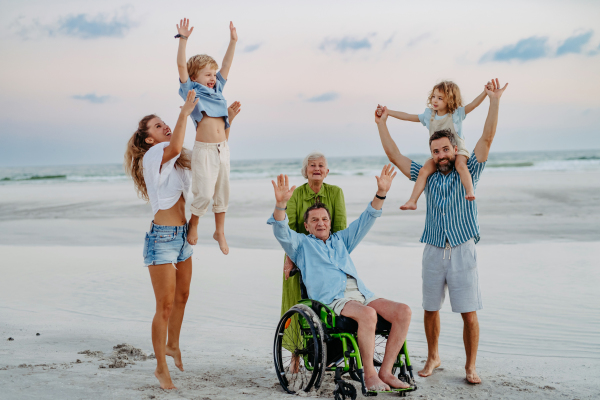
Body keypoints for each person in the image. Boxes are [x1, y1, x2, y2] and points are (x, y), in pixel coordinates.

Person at [375, 78, 508, 384]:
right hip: (434, 249)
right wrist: (382, 123)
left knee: (469, 312)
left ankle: (470, 366)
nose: (441, 155)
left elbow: (486, 140)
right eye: (436, 151)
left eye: (446, 149)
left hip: (462, 248)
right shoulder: (429, 176)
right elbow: (395, 156)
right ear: (432, 153)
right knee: (430, 308)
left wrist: (494, 101)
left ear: (454, 147)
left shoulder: (469, 171)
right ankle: (433, 356)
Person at [268, 165, 412, 391]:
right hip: (332, 301)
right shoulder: (302, 245)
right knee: (368, 315)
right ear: (307, 226)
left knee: (404, 311)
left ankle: (386, 370)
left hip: (362, 295)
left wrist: (381, 192)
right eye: (314, 220)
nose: (321, 223)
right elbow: (280, 229)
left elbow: (367, 218)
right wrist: (280, 205)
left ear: (330, 222)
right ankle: (370, 374)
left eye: (324, 219)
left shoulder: (341, 240)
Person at [123, 90, 198, 390]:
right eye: (158, 126)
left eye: (164, 122)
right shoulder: (154, 155)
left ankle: (173, 345)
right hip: (162, 239)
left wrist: (225, 124)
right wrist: (184, 113)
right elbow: (177, 142)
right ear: (149, 139)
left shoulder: (177, 161)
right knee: (164, 305)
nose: (164, 126)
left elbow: (205, 166)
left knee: (183, 296)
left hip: (183, 237)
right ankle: (160, 367)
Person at [175, 18, 241, 254]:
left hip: (223, 148)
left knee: (223, 191)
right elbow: (182, 68)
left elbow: (226, 64)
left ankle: (219, 231)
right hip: (204, 150)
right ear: (195, 78)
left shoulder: (218, 90)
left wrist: (233, 41)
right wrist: (183, 40)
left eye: (214, 75)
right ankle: (195, 223)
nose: (213, 78)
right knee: (203, 192)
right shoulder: (192, 91)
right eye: (207, 75)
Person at [376, 80, 490, 210]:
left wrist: (485, 92)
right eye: (434, 96)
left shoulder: (456, 114)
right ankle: (413, 200)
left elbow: (473, 105)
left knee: (461, 166)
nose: (435, 100)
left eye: (440, 98)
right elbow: (408, 116)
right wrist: (388, 112)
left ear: (450, 100)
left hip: (459, 152)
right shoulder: (429, 115)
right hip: (438, 154)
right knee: (424, 171)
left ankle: (469, 191)